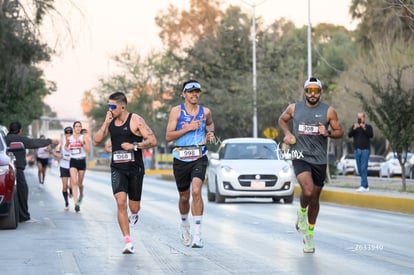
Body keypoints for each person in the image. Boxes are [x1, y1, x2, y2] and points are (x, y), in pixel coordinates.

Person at [278, 77, 344, 253]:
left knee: (314, 199)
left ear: (320, 92)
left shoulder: (328, 111)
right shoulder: (294, 108)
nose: (312, 94)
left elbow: (340, 132)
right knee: (307, 191)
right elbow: (282, 120)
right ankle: (301, 212)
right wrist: (287, 134)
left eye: (316, 91)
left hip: (319, 160)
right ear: (305, 91)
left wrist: (328, 132)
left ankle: (309, 235)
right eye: (309, 90)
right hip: (300, 155)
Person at [93, 91, 157, 254]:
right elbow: (96, 141)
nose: (110, 109)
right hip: (118, 168)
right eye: (109, 106)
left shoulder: (136, 120)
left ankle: (134, 214)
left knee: (133, 207)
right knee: (120, 201)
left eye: (112, 106)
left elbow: (152, 141)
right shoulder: (111, 122)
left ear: (122, 106)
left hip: (135, 168)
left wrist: (135, 146)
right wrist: (105, 123)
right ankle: (127, 241)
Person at [165, 80, 215, 248]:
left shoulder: (205, 111)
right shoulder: (176, 112)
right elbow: (168, 136)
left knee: (196, 191)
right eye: (190, 91)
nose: (194, 94)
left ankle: (198, 234)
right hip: (180, 157)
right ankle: (185, 225)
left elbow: (210, 124)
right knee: (184, 197)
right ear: (184, 94)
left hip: (199, 155)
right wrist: (188, 128)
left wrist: (210, 133)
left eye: (197, 91)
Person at [5, 121, 59, 222]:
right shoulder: (19, 139)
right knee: (22, 191)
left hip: (3, 171)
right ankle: (24, 217)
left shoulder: (4, 139)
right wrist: (49, 141)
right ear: (19, 130)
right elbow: (33, 143)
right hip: (16, 169)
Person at [65, 121, 90, 213]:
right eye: (76, 126)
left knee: (79, 183)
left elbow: (88, 150)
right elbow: (66, 147)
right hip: (73, 161)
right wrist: (68, 147)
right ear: (74, 128)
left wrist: (82, 143)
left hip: (82, 161)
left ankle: (81, 194)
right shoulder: (70, 138)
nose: (78, 128)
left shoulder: (84, 137)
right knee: (74, 182)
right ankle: (76, 204)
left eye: (80, 126)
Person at [348, 112, 373, 192]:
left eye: (361, 117)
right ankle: (366, 186)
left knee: (363, 168)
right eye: (358, 117)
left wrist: (364, 128)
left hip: (365, 150)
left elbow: (371, 135)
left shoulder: (368, 127)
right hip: (357, 150)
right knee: (359, 169)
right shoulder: (355, 127)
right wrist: (354, 128)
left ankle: (363, 185)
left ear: (364, 118)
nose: (360, 119)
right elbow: (349, 135)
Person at [52, 127, 73, 211]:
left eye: (70, 133)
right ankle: (66, 203)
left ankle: (71, 191)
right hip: (63, 166)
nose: (69, 134)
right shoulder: (61, 142)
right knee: (64, 187)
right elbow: (55, 152)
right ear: (65, 134)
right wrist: (58, 155)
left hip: (72, 166)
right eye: (67, 133)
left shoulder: (75, 141)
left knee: (71, 185)